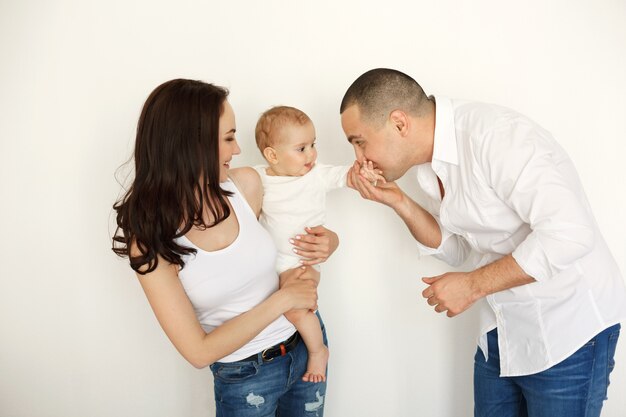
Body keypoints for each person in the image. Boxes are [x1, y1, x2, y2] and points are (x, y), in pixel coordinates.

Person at [340, 68, 626, 417]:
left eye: (359, 141)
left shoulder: (496, 137)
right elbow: (460, 250)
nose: (359, 158)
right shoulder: (427, 165)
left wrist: (473, 286)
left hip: (569, 328)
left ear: (400, 123)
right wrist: (399, 201)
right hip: (502, 329)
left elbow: (570, 234)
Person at [112, 79, 338, 416]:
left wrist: (329, 241)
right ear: (191, 144)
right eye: (229, 138)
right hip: (246, 378)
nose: (237, 150)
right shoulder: (150, 240)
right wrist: (283, 300)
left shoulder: (245, 185)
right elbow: (198, 352)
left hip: (306, 347)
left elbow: (298, 217)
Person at [252, 105, 383, 383]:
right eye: (301, 148)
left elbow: (346, 176)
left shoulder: (316, 174)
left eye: (313, 145)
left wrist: (365, 173)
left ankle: (317, 350)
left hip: (304, 259)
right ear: (272, 155)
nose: (311, 154)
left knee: (295, 308)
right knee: (281, 303)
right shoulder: (259, 178)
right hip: (274, 263)